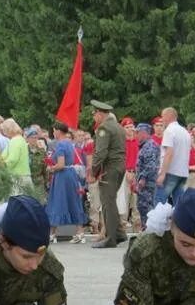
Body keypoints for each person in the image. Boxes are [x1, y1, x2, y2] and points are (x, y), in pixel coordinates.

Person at [88, 100, 127, 249]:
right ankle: (119, 233)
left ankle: (110, 238)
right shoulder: (118, 127)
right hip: (119, 167)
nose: (94, 117)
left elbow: (101, 153)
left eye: (94, 113)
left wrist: (93, 171)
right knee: (111, 201)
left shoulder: (103, 128)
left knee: (107, 203)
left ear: (100, 113)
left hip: (109, 168)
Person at [45, 120, 87, 244]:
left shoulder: (61, 145)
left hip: (62, 176)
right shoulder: (69, 143)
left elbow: (61, 165)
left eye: (54, 130)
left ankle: (52, 234)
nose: (53, 132)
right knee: (73, 202)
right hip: (71, 175)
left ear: (58, 131)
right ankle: (80, 233)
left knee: (57, 202)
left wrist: (51, 168)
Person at [156, 106, 191, 206]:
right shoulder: (185, 132)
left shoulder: (169, 131)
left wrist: (162, 174)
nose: (162, 119)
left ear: (168, 116)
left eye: (162, 116)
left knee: (159, 203)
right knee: (179, 204)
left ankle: (157, 222)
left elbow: (169, 153)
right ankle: (181, 221)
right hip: (183, 172)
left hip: (171, 171)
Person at [134, 123, 160, 230]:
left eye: (137, 132)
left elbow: (151, 165)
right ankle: (147, 229)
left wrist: (143, 178)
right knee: (143, 207)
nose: (136, 135)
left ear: (144, 133)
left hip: (148, 185)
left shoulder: (150, 146)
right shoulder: (146, 146)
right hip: (146, 184)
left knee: (147, 208)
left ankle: (149, 231)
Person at [0, 118, 32, 195]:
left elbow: (12, 160)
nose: (4, 133)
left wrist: (0, 166)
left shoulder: (15, 141)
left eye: (4, 130)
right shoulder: (21, 139)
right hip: (23, 175)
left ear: (8, 129)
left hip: (17, 178)